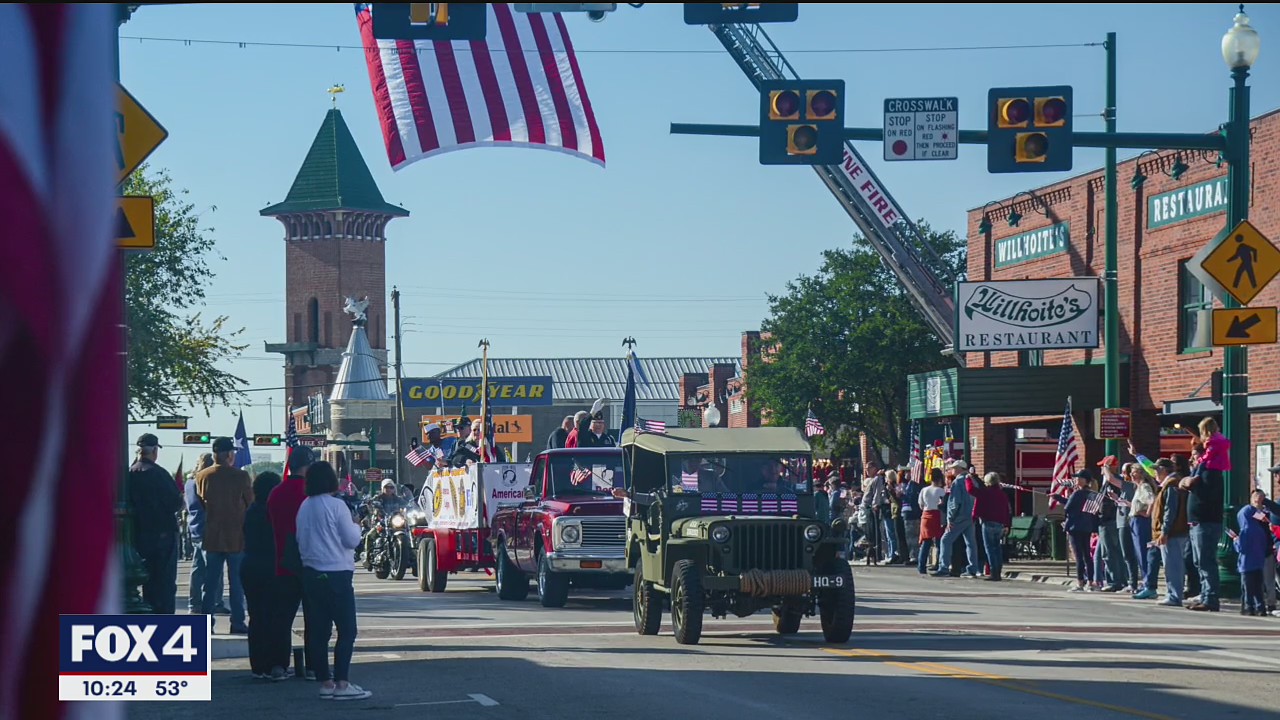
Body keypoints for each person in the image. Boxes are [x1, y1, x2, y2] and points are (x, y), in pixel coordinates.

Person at [297, 460, 370, 700]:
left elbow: (300, 539)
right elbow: (351, 540)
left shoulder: (304, 506)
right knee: (347, 630)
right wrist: (357, 526)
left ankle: (325, 681)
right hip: (337, 572)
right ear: (330, 481)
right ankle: (342, 682)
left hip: (311, 573)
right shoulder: (337, 506)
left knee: (319, 630)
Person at [268, 445, 316, 680]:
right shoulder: (312, 493)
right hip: (310, 562)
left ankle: (278, 665)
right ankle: (314, 666)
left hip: (282, 562)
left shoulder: (276, 493)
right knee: (314, 618)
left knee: (282, 618)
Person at [196, 437, 253, 634]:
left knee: (210, 585)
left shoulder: (202, 476)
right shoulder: (241, 477)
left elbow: (203, 502)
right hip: (236, 536)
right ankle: (237, 622)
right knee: (236, 584)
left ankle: (206, 623)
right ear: (230, 454)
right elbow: (250, 503)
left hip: (212, 535)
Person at [128, 433, 184, 614]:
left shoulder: (129, 473)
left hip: (140, 534)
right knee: (165, 582)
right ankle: (164, 619)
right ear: (153, 450)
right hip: (163, 533)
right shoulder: (158, 473)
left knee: (146, 580)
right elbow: (175, 502)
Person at [1180, 417, 1228, 612]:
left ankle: (1210, 598)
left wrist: (1186, 480)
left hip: (1206, 521)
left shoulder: (1210, 468)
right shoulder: (1205, 465)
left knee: (1206, 561)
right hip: (1198, 521)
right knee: (1199, 561)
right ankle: (1205, 595)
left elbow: (1191, 483)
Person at [242, 471, 283, 680]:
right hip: (272, 566)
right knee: (275, 616)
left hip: (249, 565)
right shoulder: (274, 512)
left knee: (256, 617)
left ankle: (257, 665)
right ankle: (274, 663)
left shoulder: (250, 511)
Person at [1233, 490, 1272, 616]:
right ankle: (1260, 608)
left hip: (1246, 563)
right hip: (1258, 562)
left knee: (1247, 588)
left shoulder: (1245, 530)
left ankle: (1248, 607)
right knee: (1258, 588)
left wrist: (1235, 540)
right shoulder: (1260, 530)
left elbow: (1242, 548)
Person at [1063, 470, 1100, 592]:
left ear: (1085, 480)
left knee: (1078, 556)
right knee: (1087, 556)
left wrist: (1060, 498)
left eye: (1079, 478)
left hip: (1075, 527)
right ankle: (1090, 581)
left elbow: (1067, 508)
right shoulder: (1092, 494)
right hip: (1087, 527)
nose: (1076, 480)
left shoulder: (1077, 493)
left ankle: (1080, 582)